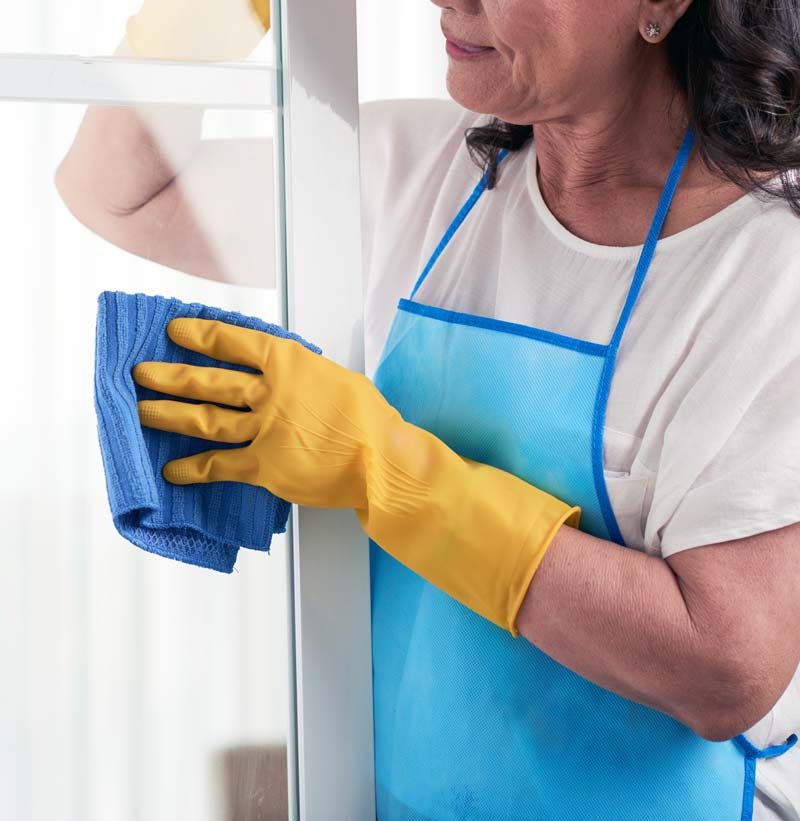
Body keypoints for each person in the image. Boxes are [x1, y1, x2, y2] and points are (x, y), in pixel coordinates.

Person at [55, 0, 800, 818]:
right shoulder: (412, 172)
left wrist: (384, 471)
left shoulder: (767, 265)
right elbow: (118, 191)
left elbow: (725, 667)